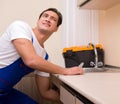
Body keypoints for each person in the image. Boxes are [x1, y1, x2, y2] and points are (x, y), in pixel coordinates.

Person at [0, 8, 83, 104]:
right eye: (45, 16)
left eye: (53, 19)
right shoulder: (20, 27)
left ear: (56, 28)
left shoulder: (44, 57)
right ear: (38, 21)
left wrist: (72, 100)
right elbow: (31, 60)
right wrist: (66, 71)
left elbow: (45, 93)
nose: (48, 19)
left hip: (5, 93)